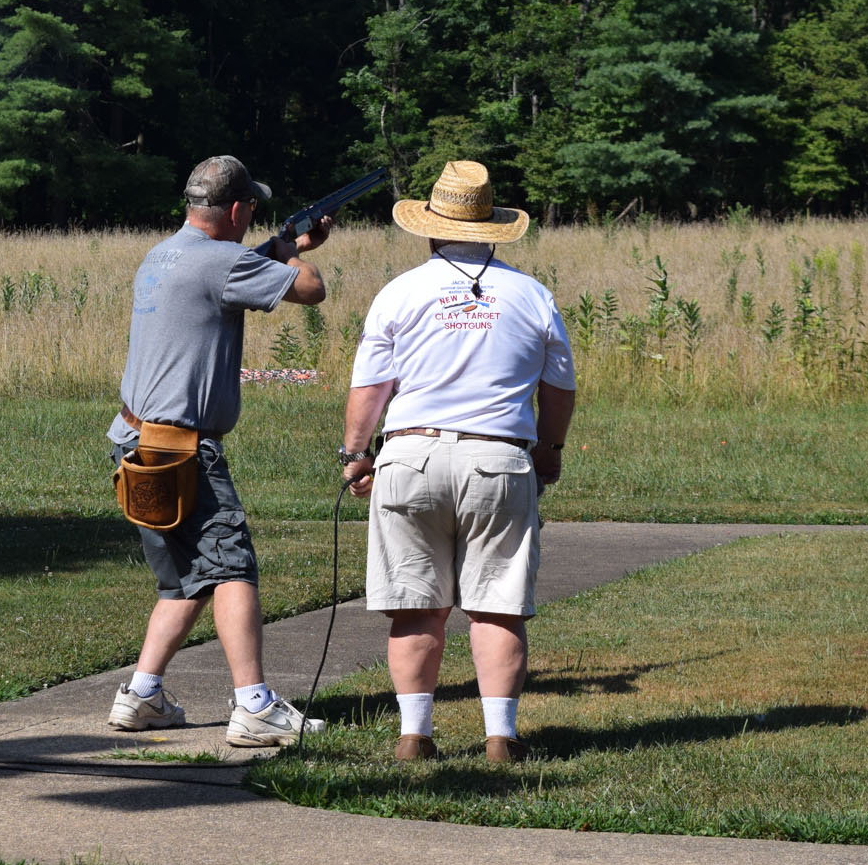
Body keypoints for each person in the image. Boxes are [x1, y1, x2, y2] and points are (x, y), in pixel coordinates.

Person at [336, 160, 576, 762]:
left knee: (415, 604)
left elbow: (370, 389)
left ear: (431, 228)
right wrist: (548, 452)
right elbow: (559, 388)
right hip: (498, 457)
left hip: (411, 455)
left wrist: (356, 457)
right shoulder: (531, 294)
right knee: (497, 604)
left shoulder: (400, 292)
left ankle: (414, 734)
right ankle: (501, 738)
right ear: (492, 225)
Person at [106, 154, 333, 747]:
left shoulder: (165, 254)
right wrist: (288, 252)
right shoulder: (224, 263)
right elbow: (313, 290)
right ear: (236, 209)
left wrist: (274, 245)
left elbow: (225, 272)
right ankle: (254, 705)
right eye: (251, 207)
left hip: (135, 443)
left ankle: (142, 694)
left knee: (185, 577)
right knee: (233, 569)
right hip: (184, 451)